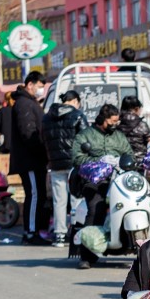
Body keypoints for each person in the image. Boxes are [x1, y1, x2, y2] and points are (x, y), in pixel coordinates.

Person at [71, 103, 133, 268]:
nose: (114, 125)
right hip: (94, 182)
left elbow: (130, 155)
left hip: (117, 179)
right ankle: (86, 255)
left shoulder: (119, 136)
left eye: (116, 122)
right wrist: (99, 162)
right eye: (111, 122)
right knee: (95, 210)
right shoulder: (85, 135)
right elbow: (77, 158)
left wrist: (121, 162)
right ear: (102, 119)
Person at [42, 90, 89, 247]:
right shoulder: (77, 115)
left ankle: (60, 235)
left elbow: (43, 139)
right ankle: (75, 232)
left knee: (59, 201)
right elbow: (86, 138)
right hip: (74, 164)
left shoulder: (47, 117)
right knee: (76, 199)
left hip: (55, 164)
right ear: (75, 100)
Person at [11, 72, 50, 245]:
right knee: (34, 195)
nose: (41, 89)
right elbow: (28, 133)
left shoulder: (30, 102)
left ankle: (33, 230)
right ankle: (30, 232)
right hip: (30, 160)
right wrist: (42, 149)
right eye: (40, 86)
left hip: (35, 159)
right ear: (30, 85)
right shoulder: (24, 104)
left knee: (38, 195)